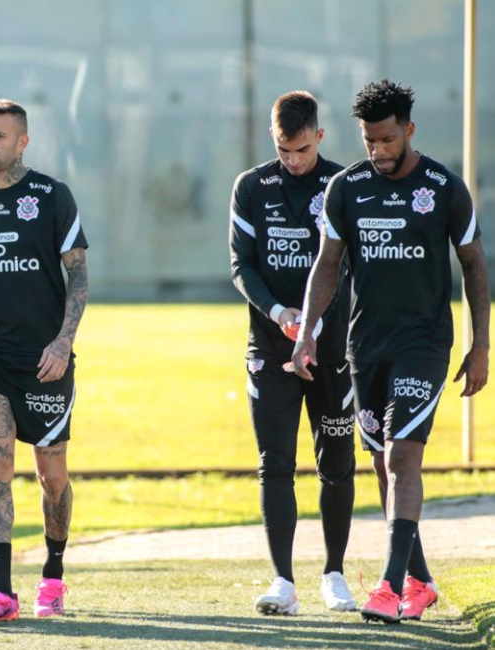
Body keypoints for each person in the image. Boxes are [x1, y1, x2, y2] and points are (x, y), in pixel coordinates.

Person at [292, 79, 489, 624]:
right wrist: (307, 332)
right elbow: (327, 265)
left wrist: (481, 345)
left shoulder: (444, 188)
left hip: (424, 343)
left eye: (385, 139)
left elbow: (473, 265)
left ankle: (388, 586)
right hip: (366, 345)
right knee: (382, 464)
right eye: (368, 140)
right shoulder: (347, 188)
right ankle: (420, 582)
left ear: (409, 130)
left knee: (404, 456)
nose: (376, 150)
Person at [0, 99, 89, 622]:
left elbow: (77, 274)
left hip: (44, 361)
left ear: (23, 142)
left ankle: (52, 578)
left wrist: (61, 342)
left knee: (51, 476)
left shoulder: (52, 197)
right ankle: (2, 592)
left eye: (0, 136)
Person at [229, 91, 356, 615]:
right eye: (284, 150)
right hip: (270, 346)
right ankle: (283, 581)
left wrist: (319, 319)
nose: (294, 160)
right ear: (272, 139)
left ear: (320, 137)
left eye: (302, 149)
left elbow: (348, 265)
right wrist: (281, 313)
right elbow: (242, 265)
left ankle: (335, 574)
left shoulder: (344, 186)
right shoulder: (251, 187)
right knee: (274, 463)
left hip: (334, 347)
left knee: (338, 464)